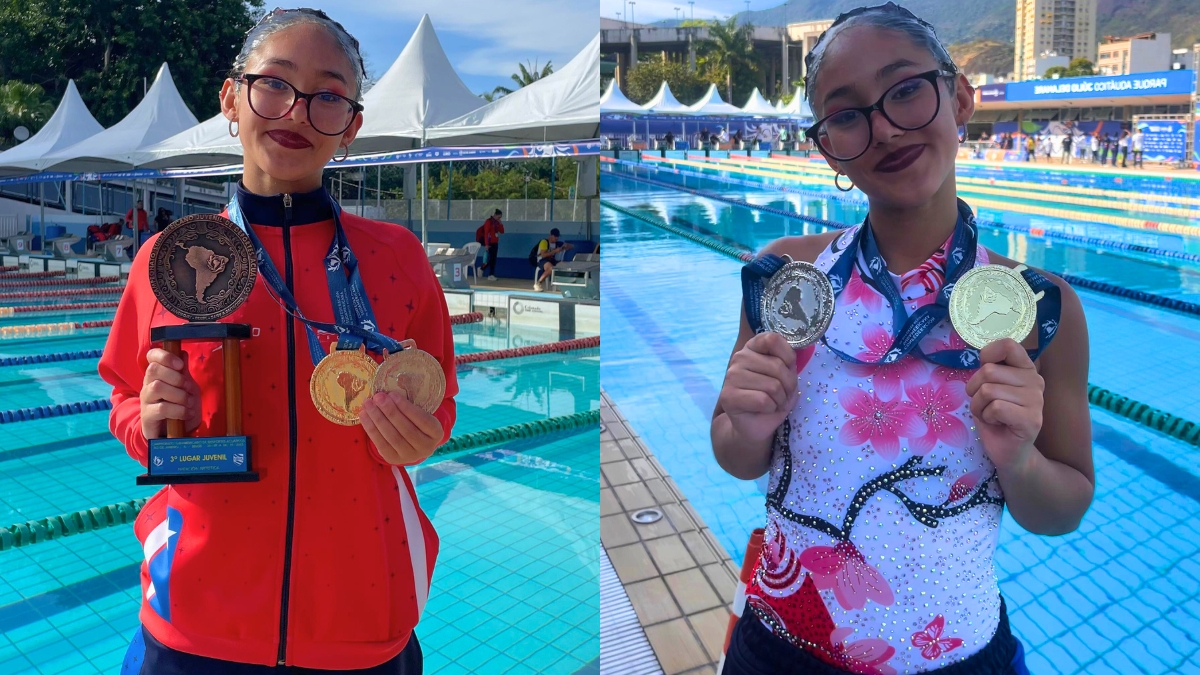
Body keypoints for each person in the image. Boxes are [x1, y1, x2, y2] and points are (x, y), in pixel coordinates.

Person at [713, 4, 1091, 674]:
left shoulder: (1043, 306)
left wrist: (1022, 459)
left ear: (960, 97)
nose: (885, 127)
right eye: (848, 113)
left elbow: (1061, 511)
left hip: (961, 657)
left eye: (906, 89)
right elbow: (737, 454)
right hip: (779, 648)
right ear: (828, 145)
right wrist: (747, 422)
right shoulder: (787, 280)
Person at [100, 8, 456, 673]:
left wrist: (424, 432)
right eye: (276, 84)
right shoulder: (167, 259)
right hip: (195, 622)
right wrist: (148, 424)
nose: (296, 112)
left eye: (327, 96)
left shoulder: (398, 258)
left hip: (360, 621)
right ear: (232, 98)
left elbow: (442, 399)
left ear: (350, 127)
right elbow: (123, 391)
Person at [530, 227, 572, 292]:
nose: (556, 238)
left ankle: (560, 283)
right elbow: (543, 255)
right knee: (551, 268)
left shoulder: (557, 243)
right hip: (542, 260)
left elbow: (571, 246)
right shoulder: (544, 242)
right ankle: (538, 283)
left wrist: (565, 246)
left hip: (552, 260)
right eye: (555, 236)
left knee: (564, 265)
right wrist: (555, 251)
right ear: (550, 235)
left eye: (557, 236)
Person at [478, 208, 504, 281]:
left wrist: (500, 223)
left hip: (495, 242)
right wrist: (486, 244)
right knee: (491, 259)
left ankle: (489, 272)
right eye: (498, 217)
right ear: (495, 215)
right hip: (489, 243)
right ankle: (487, 272)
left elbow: (502, 231)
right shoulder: (488, 222)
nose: (499, 218)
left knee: (493, 259)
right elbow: (486, 233)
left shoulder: (497, 223)